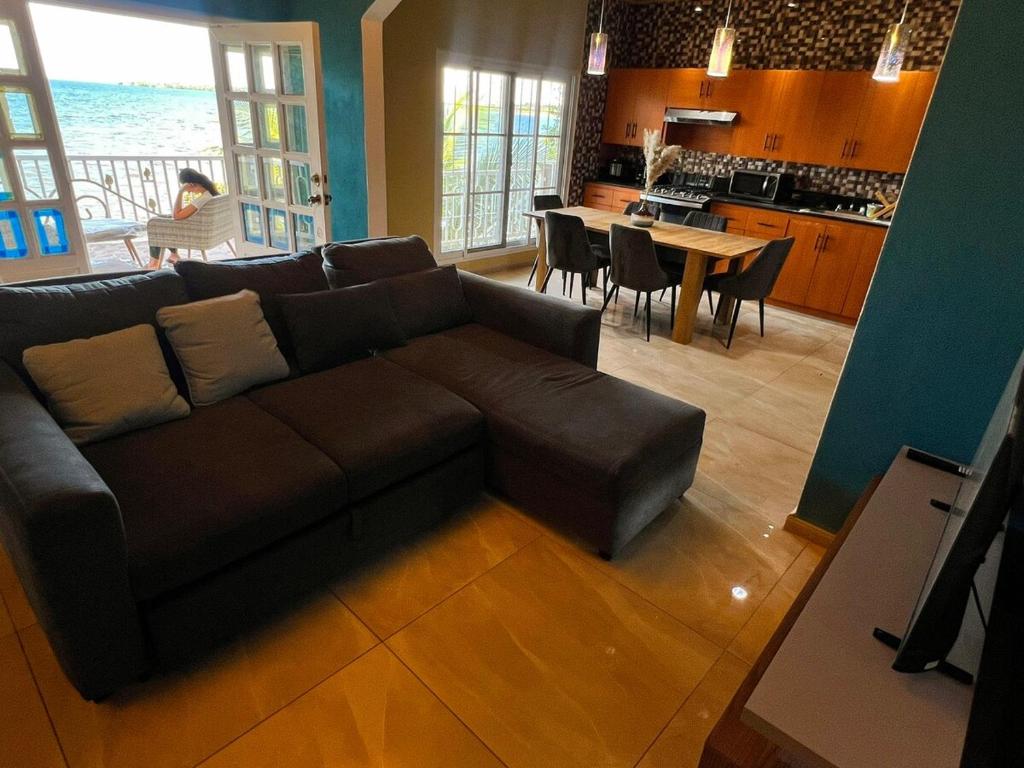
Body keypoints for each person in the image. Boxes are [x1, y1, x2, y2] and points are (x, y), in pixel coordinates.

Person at [147, 168, 221, 269]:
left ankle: (154, 261)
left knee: (155, 224)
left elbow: (176, 216)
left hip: (196, 233)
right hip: (204, 229)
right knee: (161, 219)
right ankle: (173, 254)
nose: (188, 191)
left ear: (190, 184)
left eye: (184, 186)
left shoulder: (203, 199)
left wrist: (180, 192)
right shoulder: (211, 194)